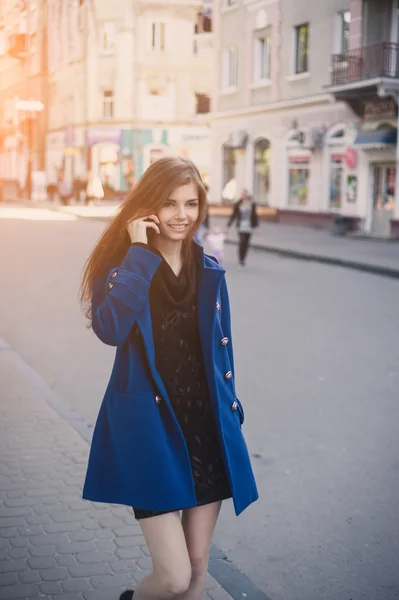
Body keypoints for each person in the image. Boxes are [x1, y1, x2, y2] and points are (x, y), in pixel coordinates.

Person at [80, 157, 258, 600]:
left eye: (191, 203)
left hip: (206, 432)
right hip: (151, 434)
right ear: (147, 208)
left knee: (198, 569)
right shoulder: (126, 267)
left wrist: (230, 407)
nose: (182, 215)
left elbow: (224, 349)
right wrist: (139, 254)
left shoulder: (210, 269)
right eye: (170, 203)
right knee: (173, 577)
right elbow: (110, 329)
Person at [227, 188, 259, 269]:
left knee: (246, 243)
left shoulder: (252, 204)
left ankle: (243, 259)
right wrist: (229, 224)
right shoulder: (238, 203)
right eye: (242, 194)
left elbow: (255, 215)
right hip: (241, 226)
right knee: (242, 242)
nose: (243, 196)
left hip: (249, 226)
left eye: (244, 194)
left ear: (247, 195)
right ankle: (240, 259)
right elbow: (234, 214)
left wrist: (256, 226)